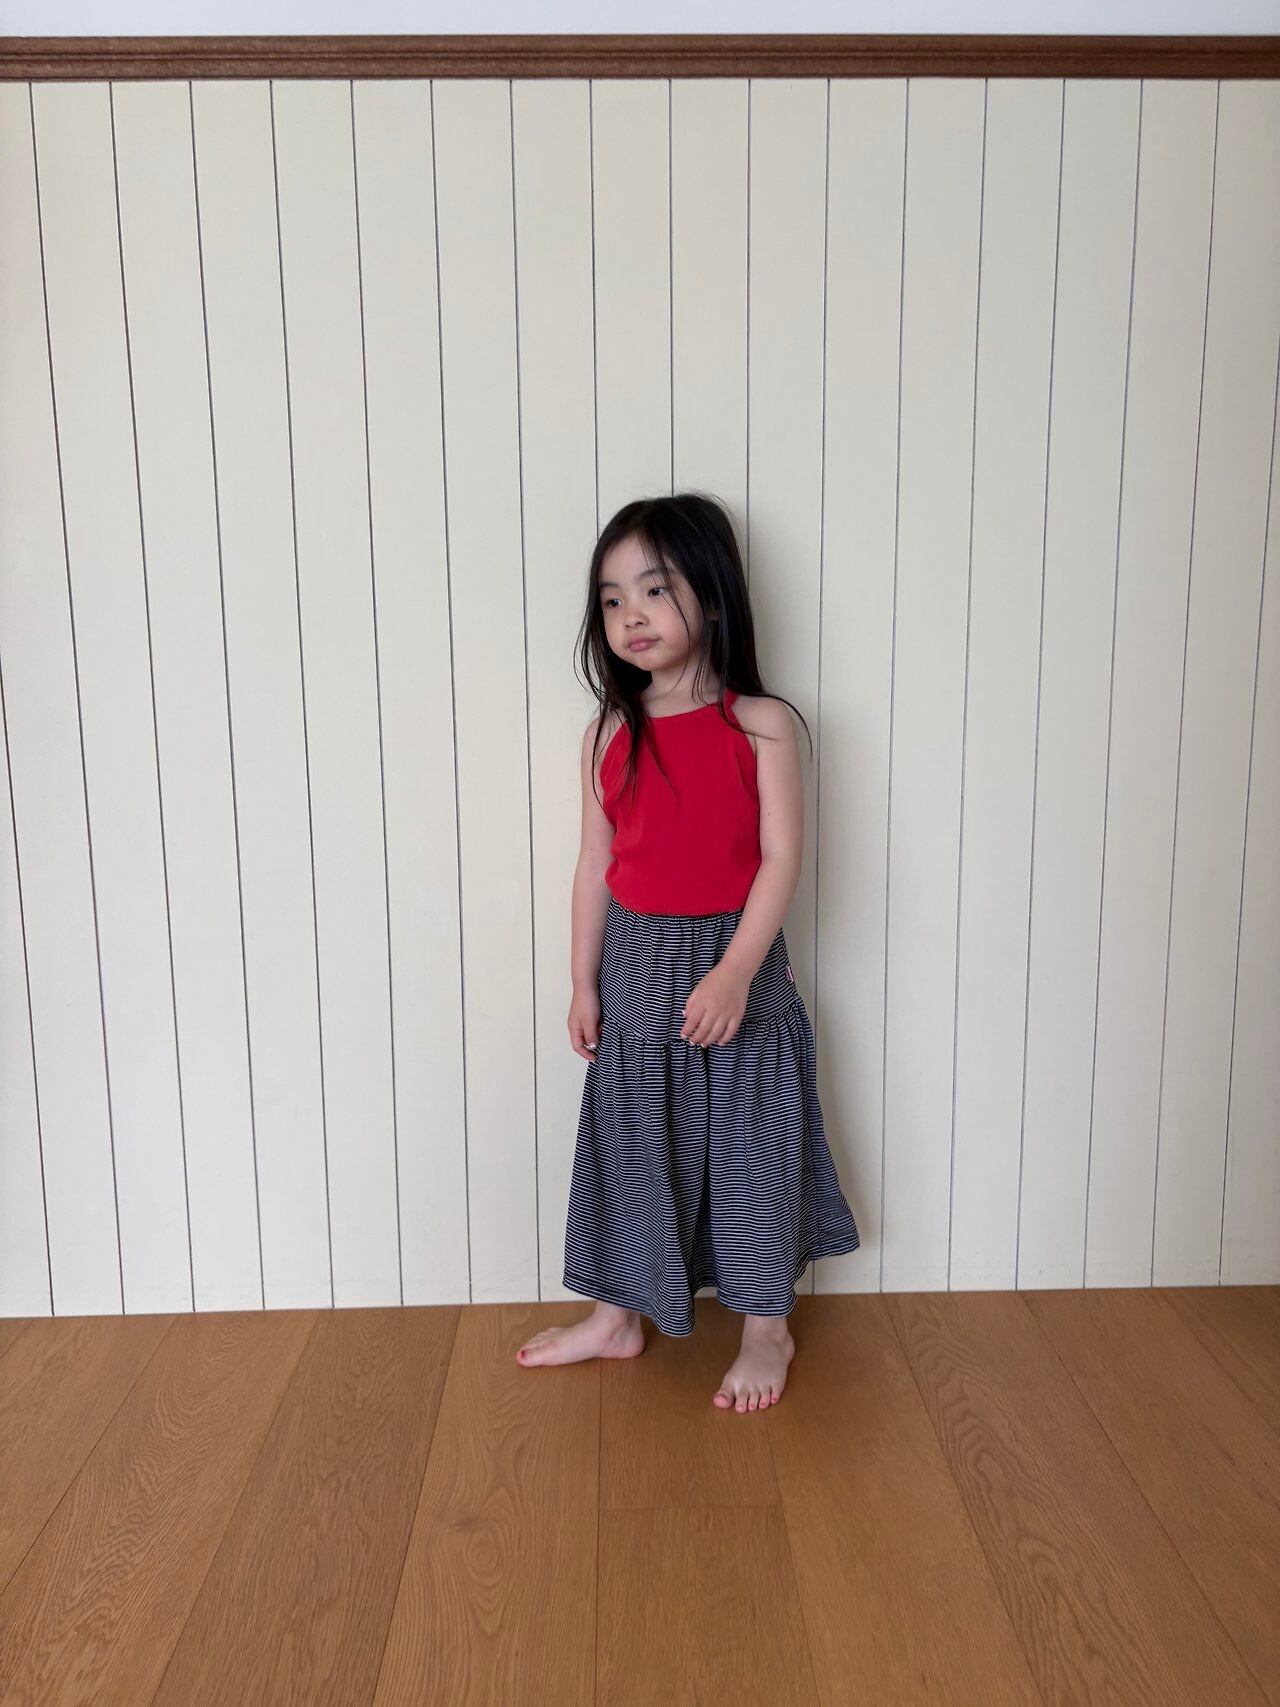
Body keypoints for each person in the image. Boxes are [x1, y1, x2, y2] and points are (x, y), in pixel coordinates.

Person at [517, 492, 860, 1412]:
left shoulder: (763, 724)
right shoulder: (608, 733)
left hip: (734, 968)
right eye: (611, 599)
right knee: (633, 1150)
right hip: (635, 975)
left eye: (654, 589)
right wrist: (581, 981)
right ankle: (616, 1315)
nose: (630, 614)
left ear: (710, 591)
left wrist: (737, 971)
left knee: (753, 1155)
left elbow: (782, 858)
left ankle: (766, 1328)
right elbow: (595, 864)